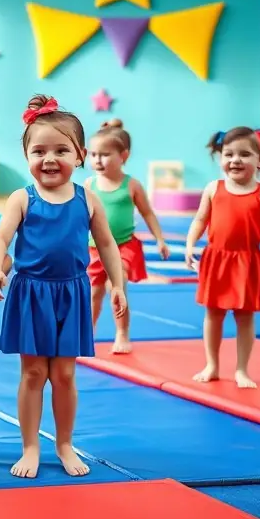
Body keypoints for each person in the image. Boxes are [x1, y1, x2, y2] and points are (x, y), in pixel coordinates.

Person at [0, 95, 126, 479]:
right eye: (39, 150)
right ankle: (30, 446)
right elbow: (0, 239)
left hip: (72, 293)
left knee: (64, 374)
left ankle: (64, 443)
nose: (49, 159)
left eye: (61, 150)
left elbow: (108, 244)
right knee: (32, 374)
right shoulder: (22, 198)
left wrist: (118, 284)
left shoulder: (87, 198)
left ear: (79, 155)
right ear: (26, 154)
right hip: (31, 293)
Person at [185, 126, 260, 388]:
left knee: (245, 318)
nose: (235, 160)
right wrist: (190, 245)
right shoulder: (214, 188)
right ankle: (212, 364)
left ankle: (242, 369)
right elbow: (200, 219)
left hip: (247, 262)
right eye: (229, 153)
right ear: (221, 157)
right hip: (217, 260)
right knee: (213, 314)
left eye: (244, 154)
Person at [84, 118, 170, 353]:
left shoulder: (131, 185)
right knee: (94, 293)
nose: (97, 160)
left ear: (124, 156)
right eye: (93, 155)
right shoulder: (89, 184)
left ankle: (122, 333)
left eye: (104, 154)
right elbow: (80, 217)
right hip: (94, 247)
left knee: (117, 285)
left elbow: (148, 214)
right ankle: (88, 332)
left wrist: (159, 239)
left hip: (123, 245)